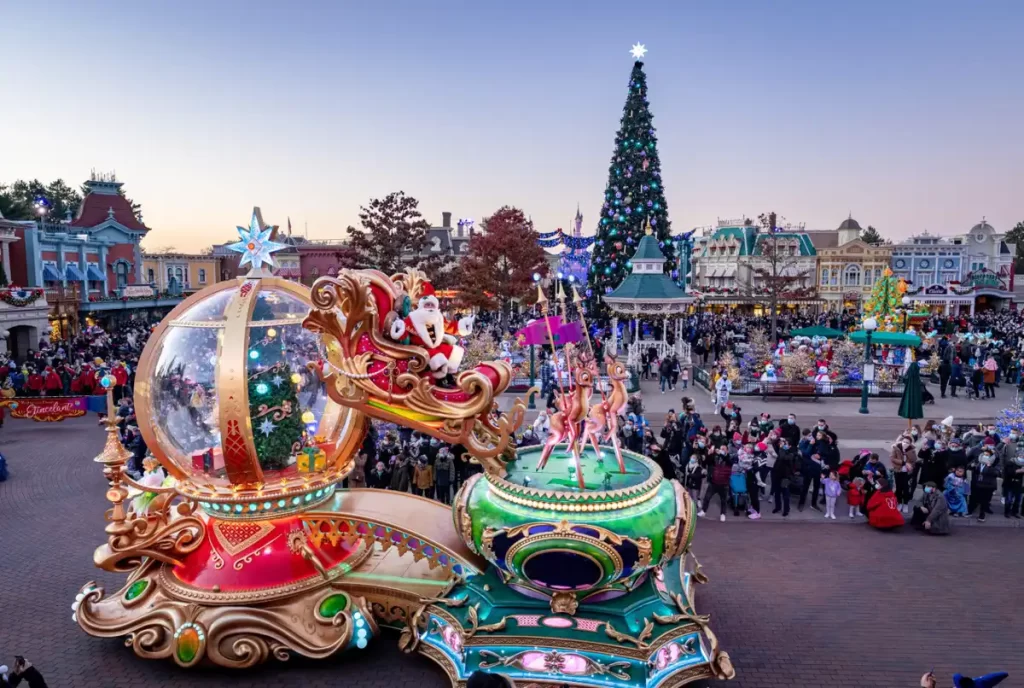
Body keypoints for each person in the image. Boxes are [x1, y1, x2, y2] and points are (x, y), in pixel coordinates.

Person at [699, 448, 731, 522]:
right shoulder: (716, 457)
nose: (721, 450)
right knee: (707, 497)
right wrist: (711, 453)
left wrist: (722, 454)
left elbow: (728, 461)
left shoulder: (729, 459)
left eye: (724, 449)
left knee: (723, 500)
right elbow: (708, 462)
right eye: (721, 449)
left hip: (724, 484)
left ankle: (723, 514)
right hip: (713, 482)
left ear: (726, 451)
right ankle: (703, 511)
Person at [890, 434, 918, 514]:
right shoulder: (896, 448)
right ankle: (899, 503)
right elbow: (892, 458)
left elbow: (914, 460)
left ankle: (905, 503)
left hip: (907, 472)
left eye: (907, 442)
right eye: (904, 441)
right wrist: (903, 462)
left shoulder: (912, 450)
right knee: (899, 488)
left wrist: (908, 453)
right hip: (898, 470)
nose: (905, 443)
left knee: (906, 488)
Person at [771, 436, 795, 517]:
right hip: (777, 475)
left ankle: (786, 509)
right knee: (777, 493)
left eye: (786, 444)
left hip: (785, 477)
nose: (783, 445)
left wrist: (782, 449)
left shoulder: (791, 454)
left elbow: (782, 457)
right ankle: (778, 507)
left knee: (785, 494)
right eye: (783, 443)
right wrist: (779, 439)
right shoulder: (781, 450)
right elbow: (774, 443)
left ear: (789, 446)